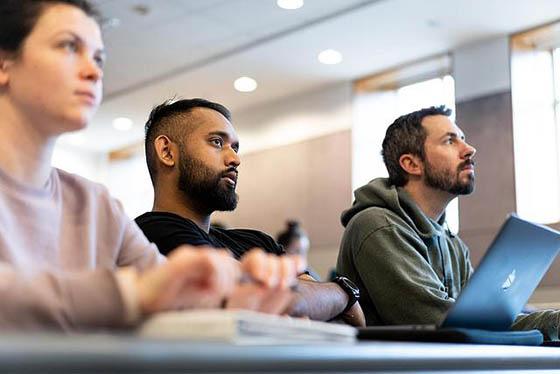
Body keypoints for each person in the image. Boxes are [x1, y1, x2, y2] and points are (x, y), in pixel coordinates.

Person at [0, 0, 301, 331]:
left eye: (98, 58)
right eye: (69, 46)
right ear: (5, 64)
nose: (94, 71)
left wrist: (241, 288)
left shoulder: (95, 204)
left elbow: (170, 287)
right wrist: (135, 293)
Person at [336, 106, 560, 340]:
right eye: (449, 141)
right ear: (412, 164)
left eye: (463, 139)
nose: (470, 149)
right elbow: (446, 326)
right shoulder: (377, 226)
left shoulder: (452, 243)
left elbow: (481, 316)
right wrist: (553, 322)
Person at [135, 98, 365, 326]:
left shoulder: (258, 242)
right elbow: (276, 303)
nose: (235, 159)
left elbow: (342, 320)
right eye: (217, 142)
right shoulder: (152, 234)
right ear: (167, 151)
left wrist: (320, 300)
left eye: (235, 147)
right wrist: (343, 292)